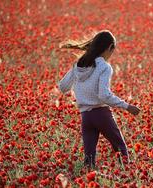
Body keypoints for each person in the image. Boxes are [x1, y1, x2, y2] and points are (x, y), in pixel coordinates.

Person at [57, 30, 140, 169]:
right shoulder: (104, 67)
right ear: (109, 48)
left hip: (86, 117)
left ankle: (86, 180)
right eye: (112, 51)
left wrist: (80, 92)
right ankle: (128, 174)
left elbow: (63, 86)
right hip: (101, 114)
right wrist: (127, 106)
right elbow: (103, 95)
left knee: (89, 158)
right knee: (120, 148)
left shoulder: (79, 65)